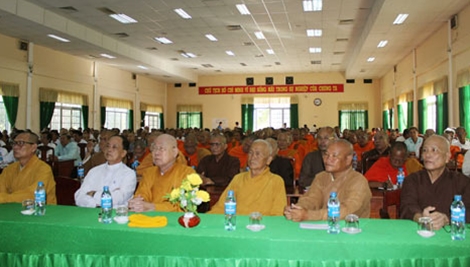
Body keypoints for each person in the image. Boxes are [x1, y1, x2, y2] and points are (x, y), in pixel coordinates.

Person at [284, 140, 371, 221]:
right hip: (324, 227)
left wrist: (308, 215)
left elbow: (347, 210)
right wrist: (297, 209)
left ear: (348, 159)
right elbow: (312, 199)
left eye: (334, 156)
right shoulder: (321, 177)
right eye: (326, 155)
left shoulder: (358, 181)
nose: (328, 159)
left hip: (351, 230)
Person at [400, 135, 470, 229]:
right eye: (425, 150)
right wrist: (421, 218)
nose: (428, 155)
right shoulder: (412, 180)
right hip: (419, 233)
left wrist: (448, 219)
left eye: (434, 150)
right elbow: (407, 206)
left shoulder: (462, 182)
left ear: (447, 157)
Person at [209, 139, 287, 216]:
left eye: (258, 154)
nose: (253, 157)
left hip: (261, 225)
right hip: (237, 224)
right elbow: (222, 206)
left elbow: (278, 213)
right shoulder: (238, 178)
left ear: (268, 160)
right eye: (250, 153)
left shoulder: (276, 181)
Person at [128, 134, 195, 212]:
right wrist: (137, 204)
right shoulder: (149, 172)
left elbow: (183, 206)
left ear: (175, 152)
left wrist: (153, 207)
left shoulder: (187, 173)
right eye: (154, 149)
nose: (156, 153)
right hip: (148, 219)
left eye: (161, 149)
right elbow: (141, 195)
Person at [74, 135, 136, 208]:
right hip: (91, 212)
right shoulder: (94, 171)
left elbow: (118, 199)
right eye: (108, 146)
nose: (109, 150)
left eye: (114, 147)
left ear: (123, 153)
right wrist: (97, 204)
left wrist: (93, 194)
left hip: (115, 215)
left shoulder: (129, 174)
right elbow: (79, 196)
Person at [0, 131, 56, 204]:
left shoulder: (44, 169)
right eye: (14, 143)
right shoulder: (9, 169)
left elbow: (32, 194)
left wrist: (4, 198)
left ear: (33, 147)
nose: (15, 147)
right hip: (12, 210)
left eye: (20, 143)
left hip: (41, 212)